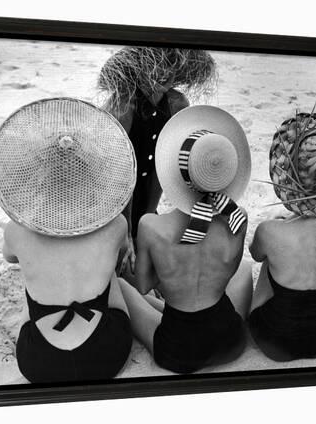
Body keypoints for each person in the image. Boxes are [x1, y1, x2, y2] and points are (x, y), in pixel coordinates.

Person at [0, 98, 136, 383]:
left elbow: (9, 257)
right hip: (105, 357)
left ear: (38, 175)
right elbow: (118, 261)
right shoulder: (116, 225)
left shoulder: (17, 230)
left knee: (32, 283)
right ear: (94, 176)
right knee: (110, 279)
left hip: (39, 363)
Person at [118, 105, 253, 374]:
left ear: (177, 173)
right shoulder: (238, 218)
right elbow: (228, 275)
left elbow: (144, 285)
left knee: (121, 286)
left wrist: (172, 275)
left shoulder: (151, 226)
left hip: (178, 351)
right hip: (230, 340)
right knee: (246, 270)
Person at [248, 112, 316, 361]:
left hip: (274, 340)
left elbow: (255, 255)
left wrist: (284, 226)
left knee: (271, 256)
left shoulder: (269, 231)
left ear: (288, 178)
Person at [98, 48, 218, 273]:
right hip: (114, 190)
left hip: (148, 182)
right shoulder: (123, 106)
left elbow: (163, 164)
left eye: (170, 65)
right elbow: (119, 174)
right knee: (121, 259)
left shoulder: (177, 103)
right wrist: (127, 234)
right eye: (156, 66)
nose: (164, 72)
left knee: (146, 242)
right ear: (138, 69)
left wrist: (147, 219)